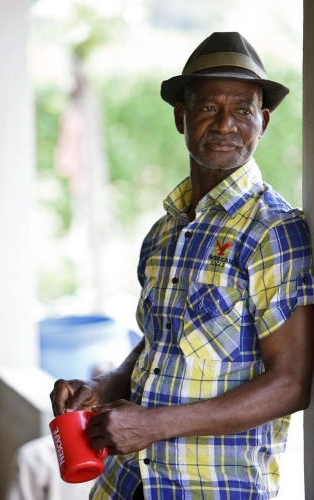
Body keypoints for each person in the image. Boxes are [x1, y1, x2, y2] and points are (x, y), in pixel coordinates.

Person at [50, 32, 314, 499]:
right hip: (126, 482)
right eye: (209, 107)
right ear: (182, 116)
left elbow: (291, 384)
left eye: (243, 110)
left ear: (264, 122)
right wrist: (104, 386)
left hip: (212, 488)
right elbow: (160, 345)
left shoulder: (273, 231)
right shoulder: (166, 231)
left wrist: (153, 426)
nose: (226, 124)